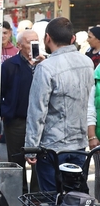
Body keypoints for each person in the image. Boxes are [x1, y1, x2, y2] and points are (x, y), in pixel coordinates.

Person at [25, 17, 97, 193]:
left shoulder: (46, 68)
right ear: (72, 38)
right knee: (76, 199)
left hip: (52, 147)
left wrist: (31, 148)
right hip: (78, 145)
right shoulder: (87, 62)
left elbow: (37, 112)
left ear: (47, 38)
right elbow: (89, 102)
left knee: (52, 201)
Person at [1, 29, 41, 193]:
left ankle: (38, 196)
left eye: (36, 40)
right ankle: (20, 194)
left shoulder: (45, 64)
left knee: (40, 160)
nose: (34, 44)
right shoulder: (10, 65)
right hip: (17, 120)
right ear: (19, 45)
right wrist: (6, 112)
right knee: (17, 161)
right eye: (30, 41)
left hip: (40, 122)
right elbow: (0, 93)